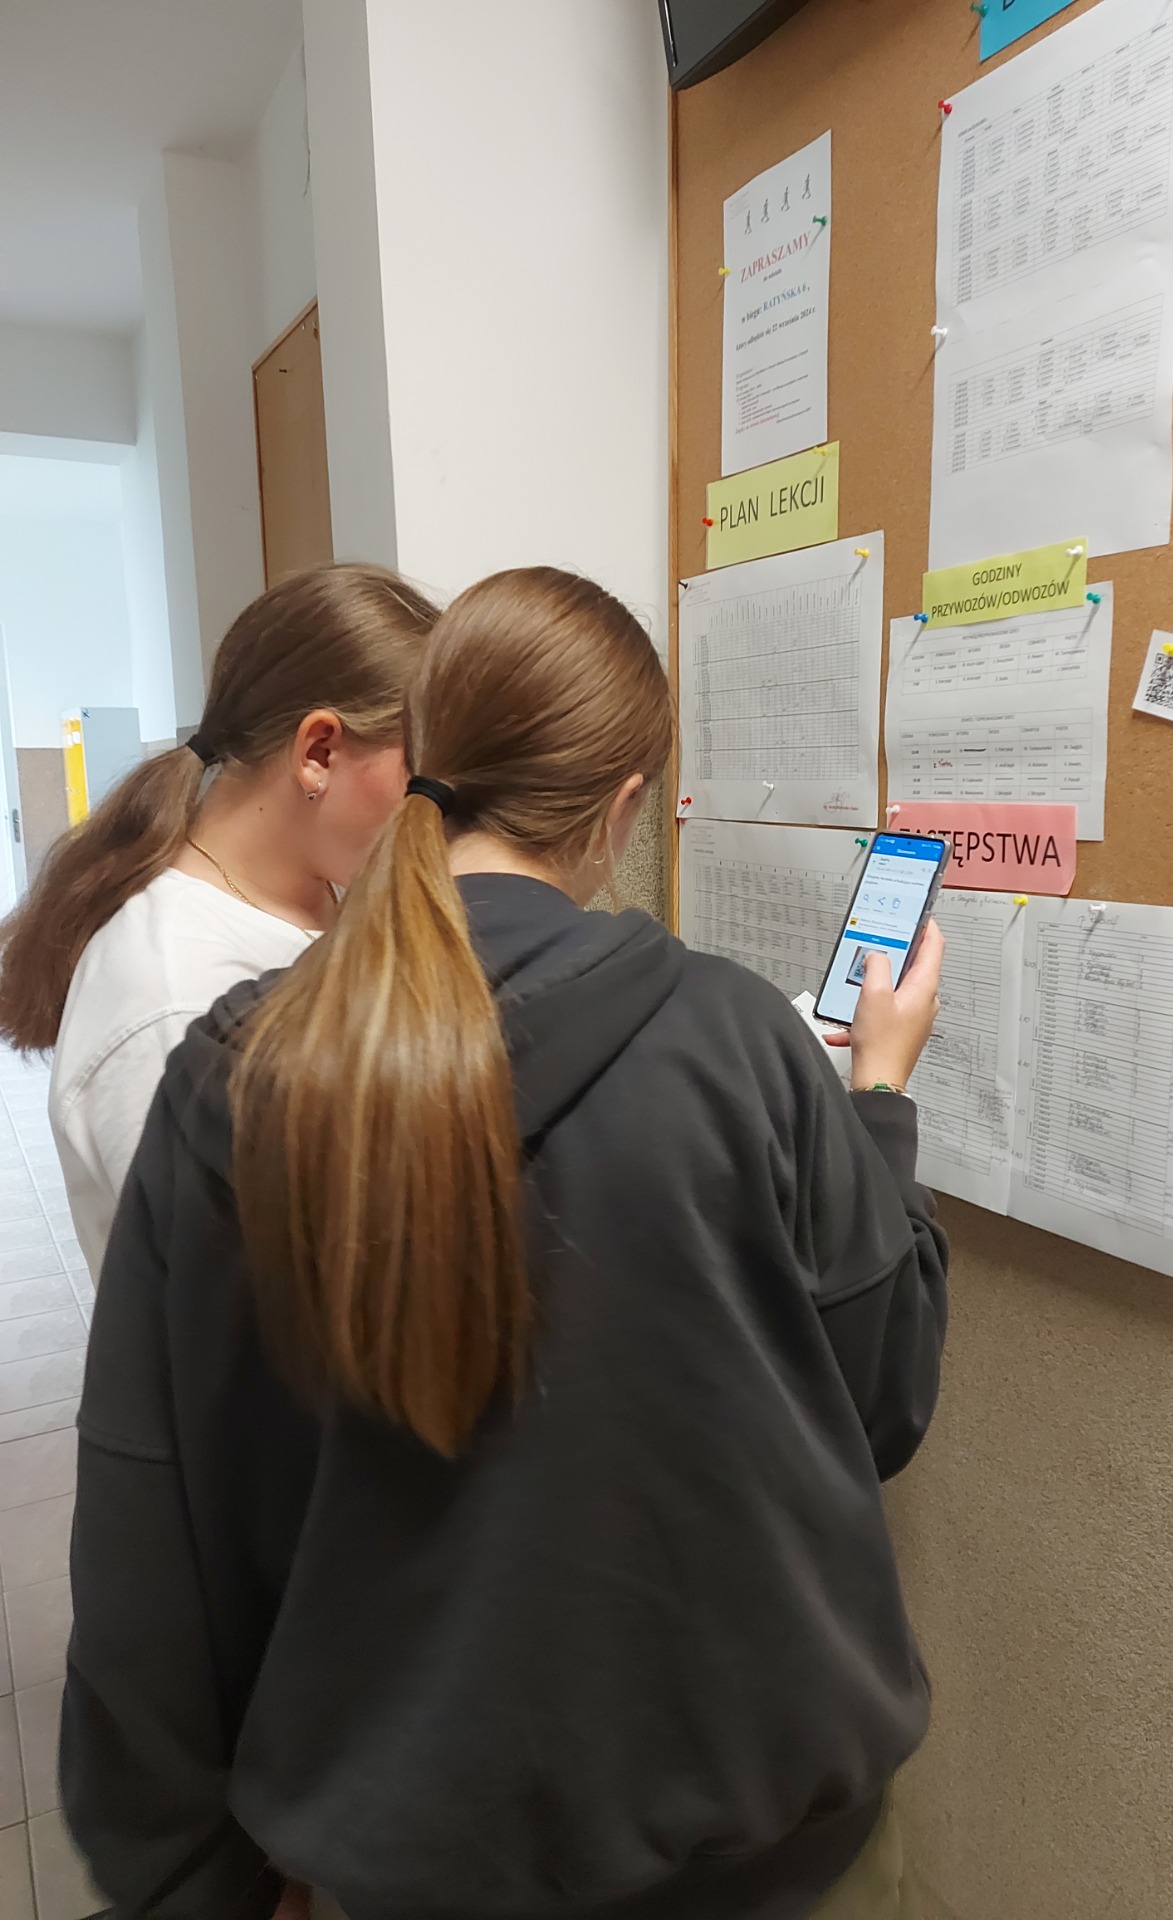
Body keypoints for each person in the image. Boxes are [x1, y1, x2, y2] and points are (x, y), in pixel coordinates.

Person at [61, 566, 950, 1920]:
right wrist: (877, 1099)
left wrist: (195, 1878)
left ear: (423, 755)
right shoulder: (740, 1040)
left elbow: (154, 1524)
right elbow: (880, 1398)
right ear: (622, 806)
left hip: (406, 1862)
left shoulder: (240, 1076)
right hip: (771, 1861)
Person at [0, 564, 439, 1278]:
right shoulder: (174, 1002)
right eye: (419, 770)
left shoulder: (321, 890)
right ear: (318, 753)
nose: (433, 806)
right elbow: (243, 1304)